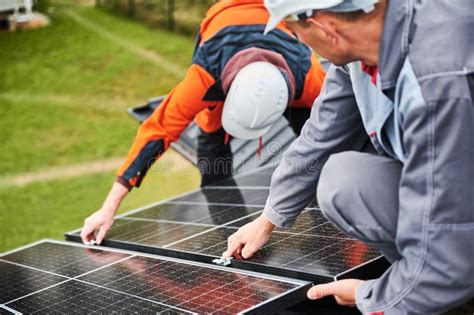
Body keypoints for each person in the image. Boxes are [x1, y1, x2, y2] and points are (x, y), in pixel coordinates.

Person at [223, 0, 474, 314]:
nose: (300, 43)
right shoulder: (367, 44)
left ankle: (436, 293)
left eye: (295, 31)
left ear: (325, 28)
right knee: (345, 179)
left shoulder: (435, 82)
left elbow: (448, 242)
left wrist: (374, 296)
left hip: (460, 204)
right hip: (453, 181)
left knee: (443, 268)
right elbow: (323, 131)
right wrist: (268, 217)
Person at [80, 0, 326, 246]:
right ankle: (230, 238)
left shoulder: (308, 75)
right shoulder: (204, 78)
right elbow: (157, 131)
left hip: (273, 28)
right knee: (213, 156)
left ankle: (324, 213)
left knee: (319, 139)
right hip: (222, 28)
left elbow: (345, 120)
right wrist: (107, 208)